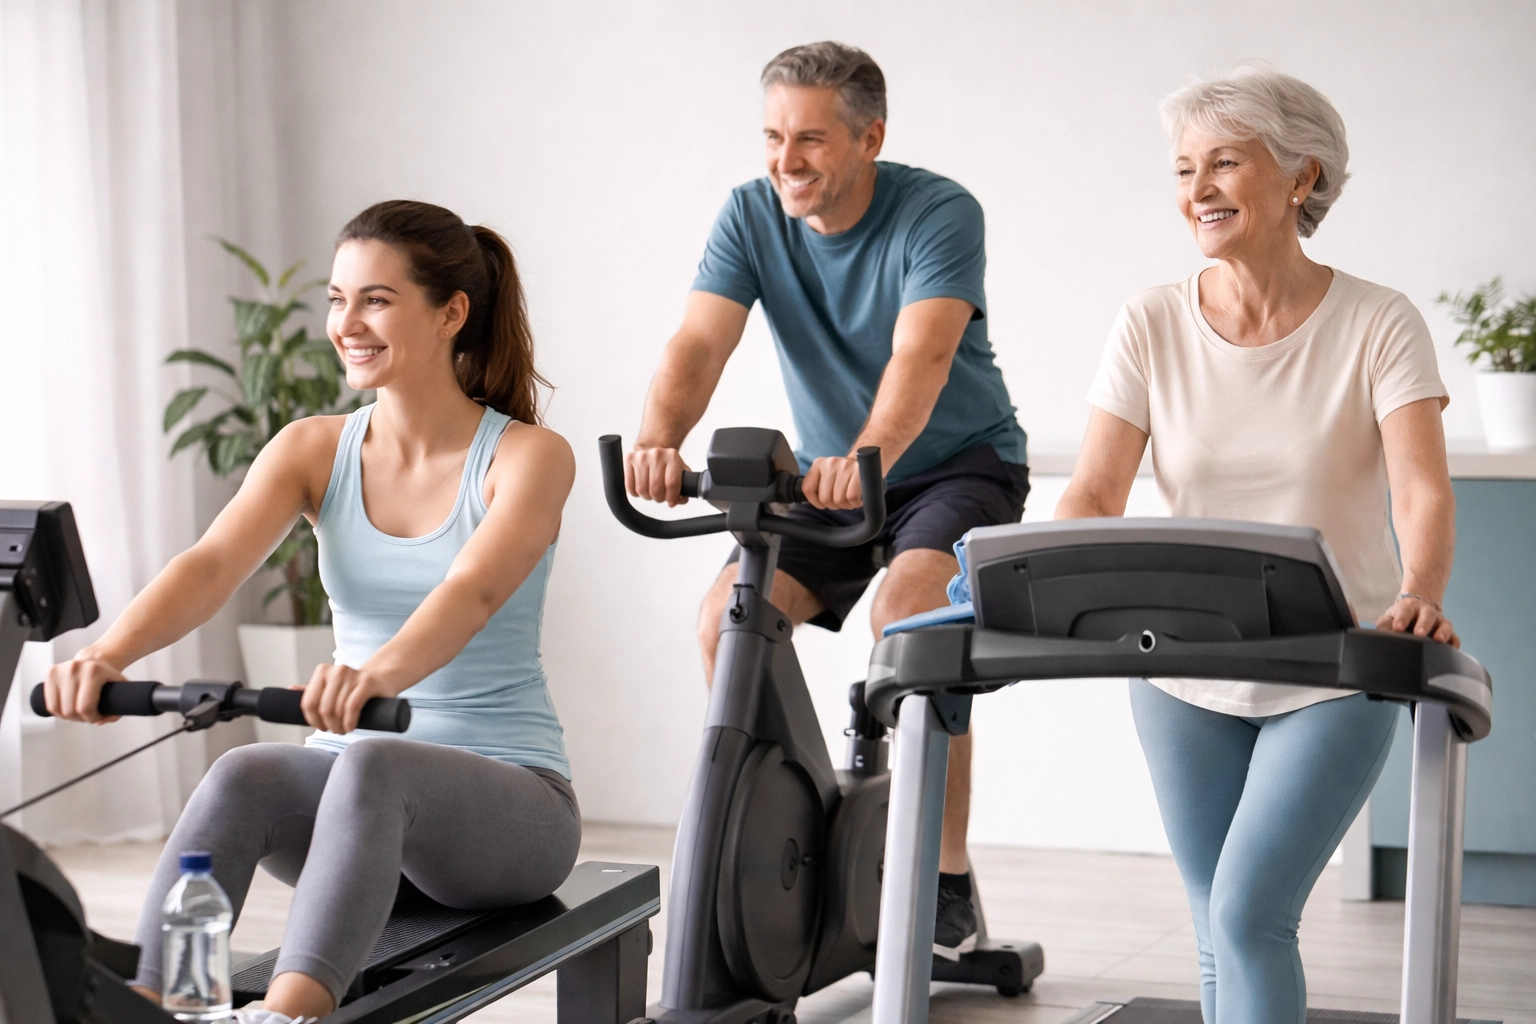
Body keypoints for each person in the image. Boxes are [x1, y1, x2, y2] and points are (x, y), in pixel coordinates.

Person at [41, 200, 579, 1024]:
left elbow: (468, 594)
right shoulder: (312, 448)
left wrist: (373, 677)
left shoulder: (526, 457)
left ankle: (290, 1015)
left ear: (452, 314)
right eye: (337, 298)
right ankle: (151, 1004)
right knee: (245, 769)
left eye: (376, 299)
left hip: (511, 811)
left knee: (375, 760)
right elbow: (210, 564)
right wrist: (108, 656)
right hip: (353, 806)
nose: (347, 322)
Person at [1055, 66, 1458, 1023]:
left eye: (1224, 162)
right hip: (1179, 665)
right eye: (1185, 167)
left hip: (1334, 664)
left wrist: (1422, 587)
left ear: (1301, 176)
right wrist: (1024, 576)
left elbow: (1421, 487)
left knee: (1247, 913)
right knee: (1214, 926)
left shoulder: (1378, 321)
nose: (1197, 189)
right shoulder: (1151, 321)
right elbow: (1095, 491)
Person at [624, 40, 1028, 957]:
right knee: (728, 623)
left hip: (959, 460)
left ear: (869, 137)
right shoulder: (750, 214)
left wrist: (866, 453)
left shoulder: (938, 211)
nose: (785, 161)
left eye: (809, 139)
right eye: (773, 136)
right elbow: (698, 342)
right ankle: (805, 827)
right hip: (825, 474)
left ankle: (944, 872)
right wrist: (658, 438)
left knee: (915, 620)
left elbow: (921, 354)